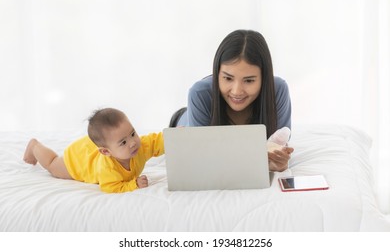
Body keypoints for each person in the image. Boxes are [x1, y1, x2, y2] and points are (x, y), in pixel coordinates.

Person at [170, 29, 294, 171]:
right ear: (217, 74)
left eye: (249, 81)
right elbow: (203, 159)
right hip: (186, 121)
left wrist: (277, 163)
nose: (236, 91)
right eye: (228, 78)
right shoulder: (199, 93)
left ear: (264, 78)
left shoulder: (277, 90)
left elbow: (280, 143)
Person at [23, 108, 164, 193]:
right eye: (123, 142)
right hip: (79, 160)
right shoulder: (108, 169)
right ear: (106, 152)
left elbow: (157, 141)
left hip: (95, 148)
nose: (133, 143)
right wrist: (133, 184)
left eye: (133, 133)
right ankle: (34, 146)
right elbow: (110, 187)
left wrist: (176, 135)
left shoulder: (140, 147)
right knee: (52, 165)